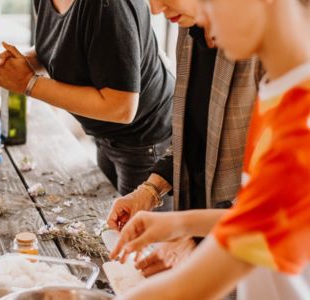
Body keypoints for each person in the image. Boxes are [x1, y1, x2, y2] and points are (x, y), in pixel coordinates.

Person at [110, 0, 310, 299]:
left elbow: (186, 289)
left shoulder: (300, 128)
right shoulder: (281, 92)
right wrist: (179, 223)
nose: (202, 14)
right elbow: (263, 214)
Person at [106, 0, 262, 277]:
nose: (154, 9)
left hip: (249, 261)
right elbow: (191, 135)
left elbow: (277, 205)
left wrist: (195, 237)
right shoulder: (190, 30)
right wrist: (149, 192)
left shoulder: (274, 57)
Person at [0, 0, 175, 196]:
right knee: (110, 219)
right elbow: (60, 46)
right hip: (106, 135)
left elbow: (122, 107)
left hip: (146, 140)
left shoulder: (110, 6)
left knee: (136, 234)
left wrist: (28, 83)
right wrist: (12, 64)